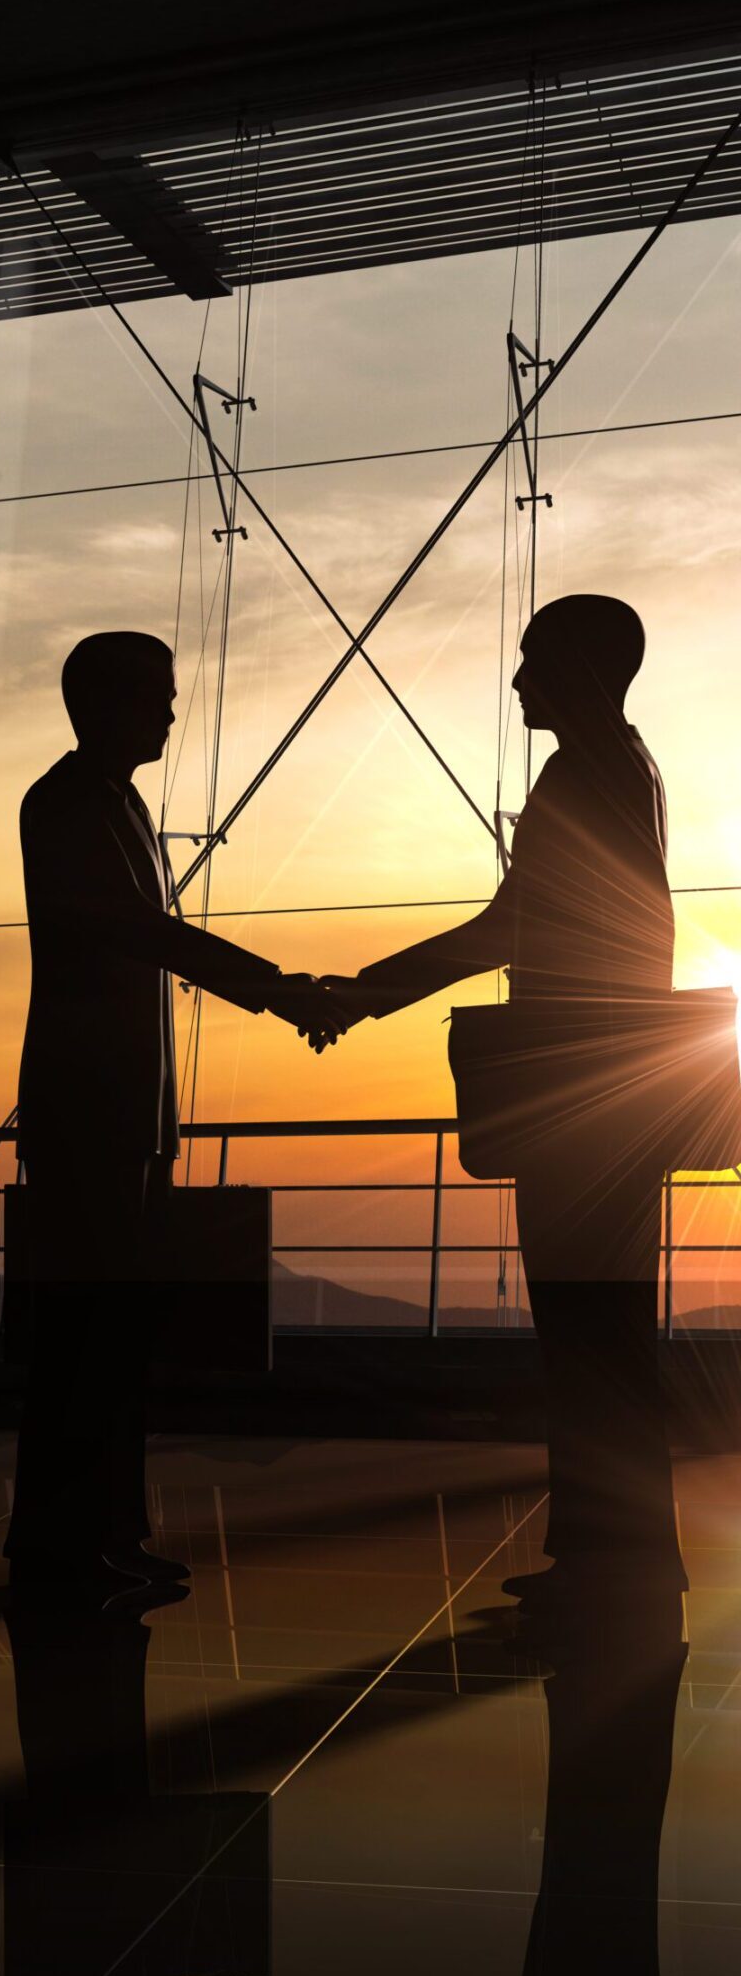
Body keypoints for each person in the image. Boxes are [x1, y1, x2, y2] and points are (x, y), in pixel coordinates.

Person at [318, 593, 681, 1602]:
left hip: (578, 1092)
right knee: (602, 1323)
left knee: (584, 1321)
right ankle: (617, 1550)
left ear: (584, 667)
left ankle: (613, 1554)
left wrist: (364, 995)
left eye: (534, 660)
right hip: (614, 1089)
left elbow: (506, 927)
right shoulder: (629, 768)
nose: (519, 680)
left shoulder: (579, 773)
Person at [11, 630, 345, 1595]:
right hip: (90, 1107)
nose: (170, 710)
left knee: (110, 1334)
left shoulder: (116, 805)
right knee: (86, 1335)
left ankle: (99, 1534)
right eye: (155, 694)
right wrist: (276, 990)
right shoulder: (70, 804)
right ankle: (67, 1541)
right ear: (102, 702)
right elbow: (140, 932)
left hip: (122, 1107)